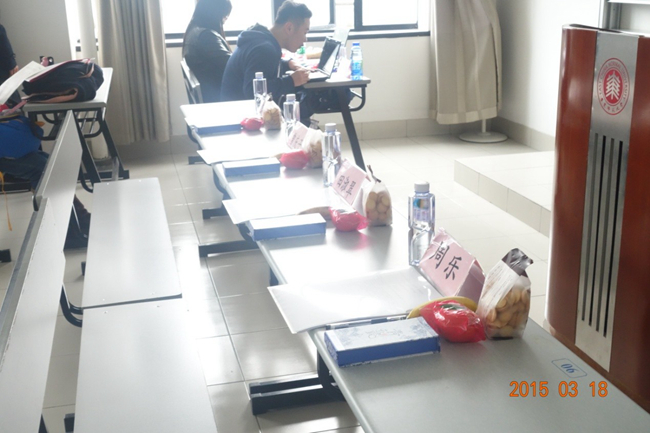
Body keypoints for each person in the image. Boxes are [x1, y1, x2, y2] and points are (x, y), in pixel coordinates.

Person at [220, 1, 311, 110]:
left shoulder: (261, 42)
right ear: (289, 28)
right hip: (240, 114)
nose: (305, 39)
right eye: (305, 32)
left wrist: (287, 63)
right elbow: (252, 92)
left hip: (237, 110)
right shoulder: (264, 50)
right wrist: (291, 81)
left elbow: (262, 67)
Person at [182, 0, 233, 103]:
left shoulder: (194, 32)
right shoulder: (206, 37)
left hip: (211, 92)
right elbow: (231, 67)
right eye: (225, 15)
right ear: (215, 14)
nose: (225, 20)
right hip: (218, 96)